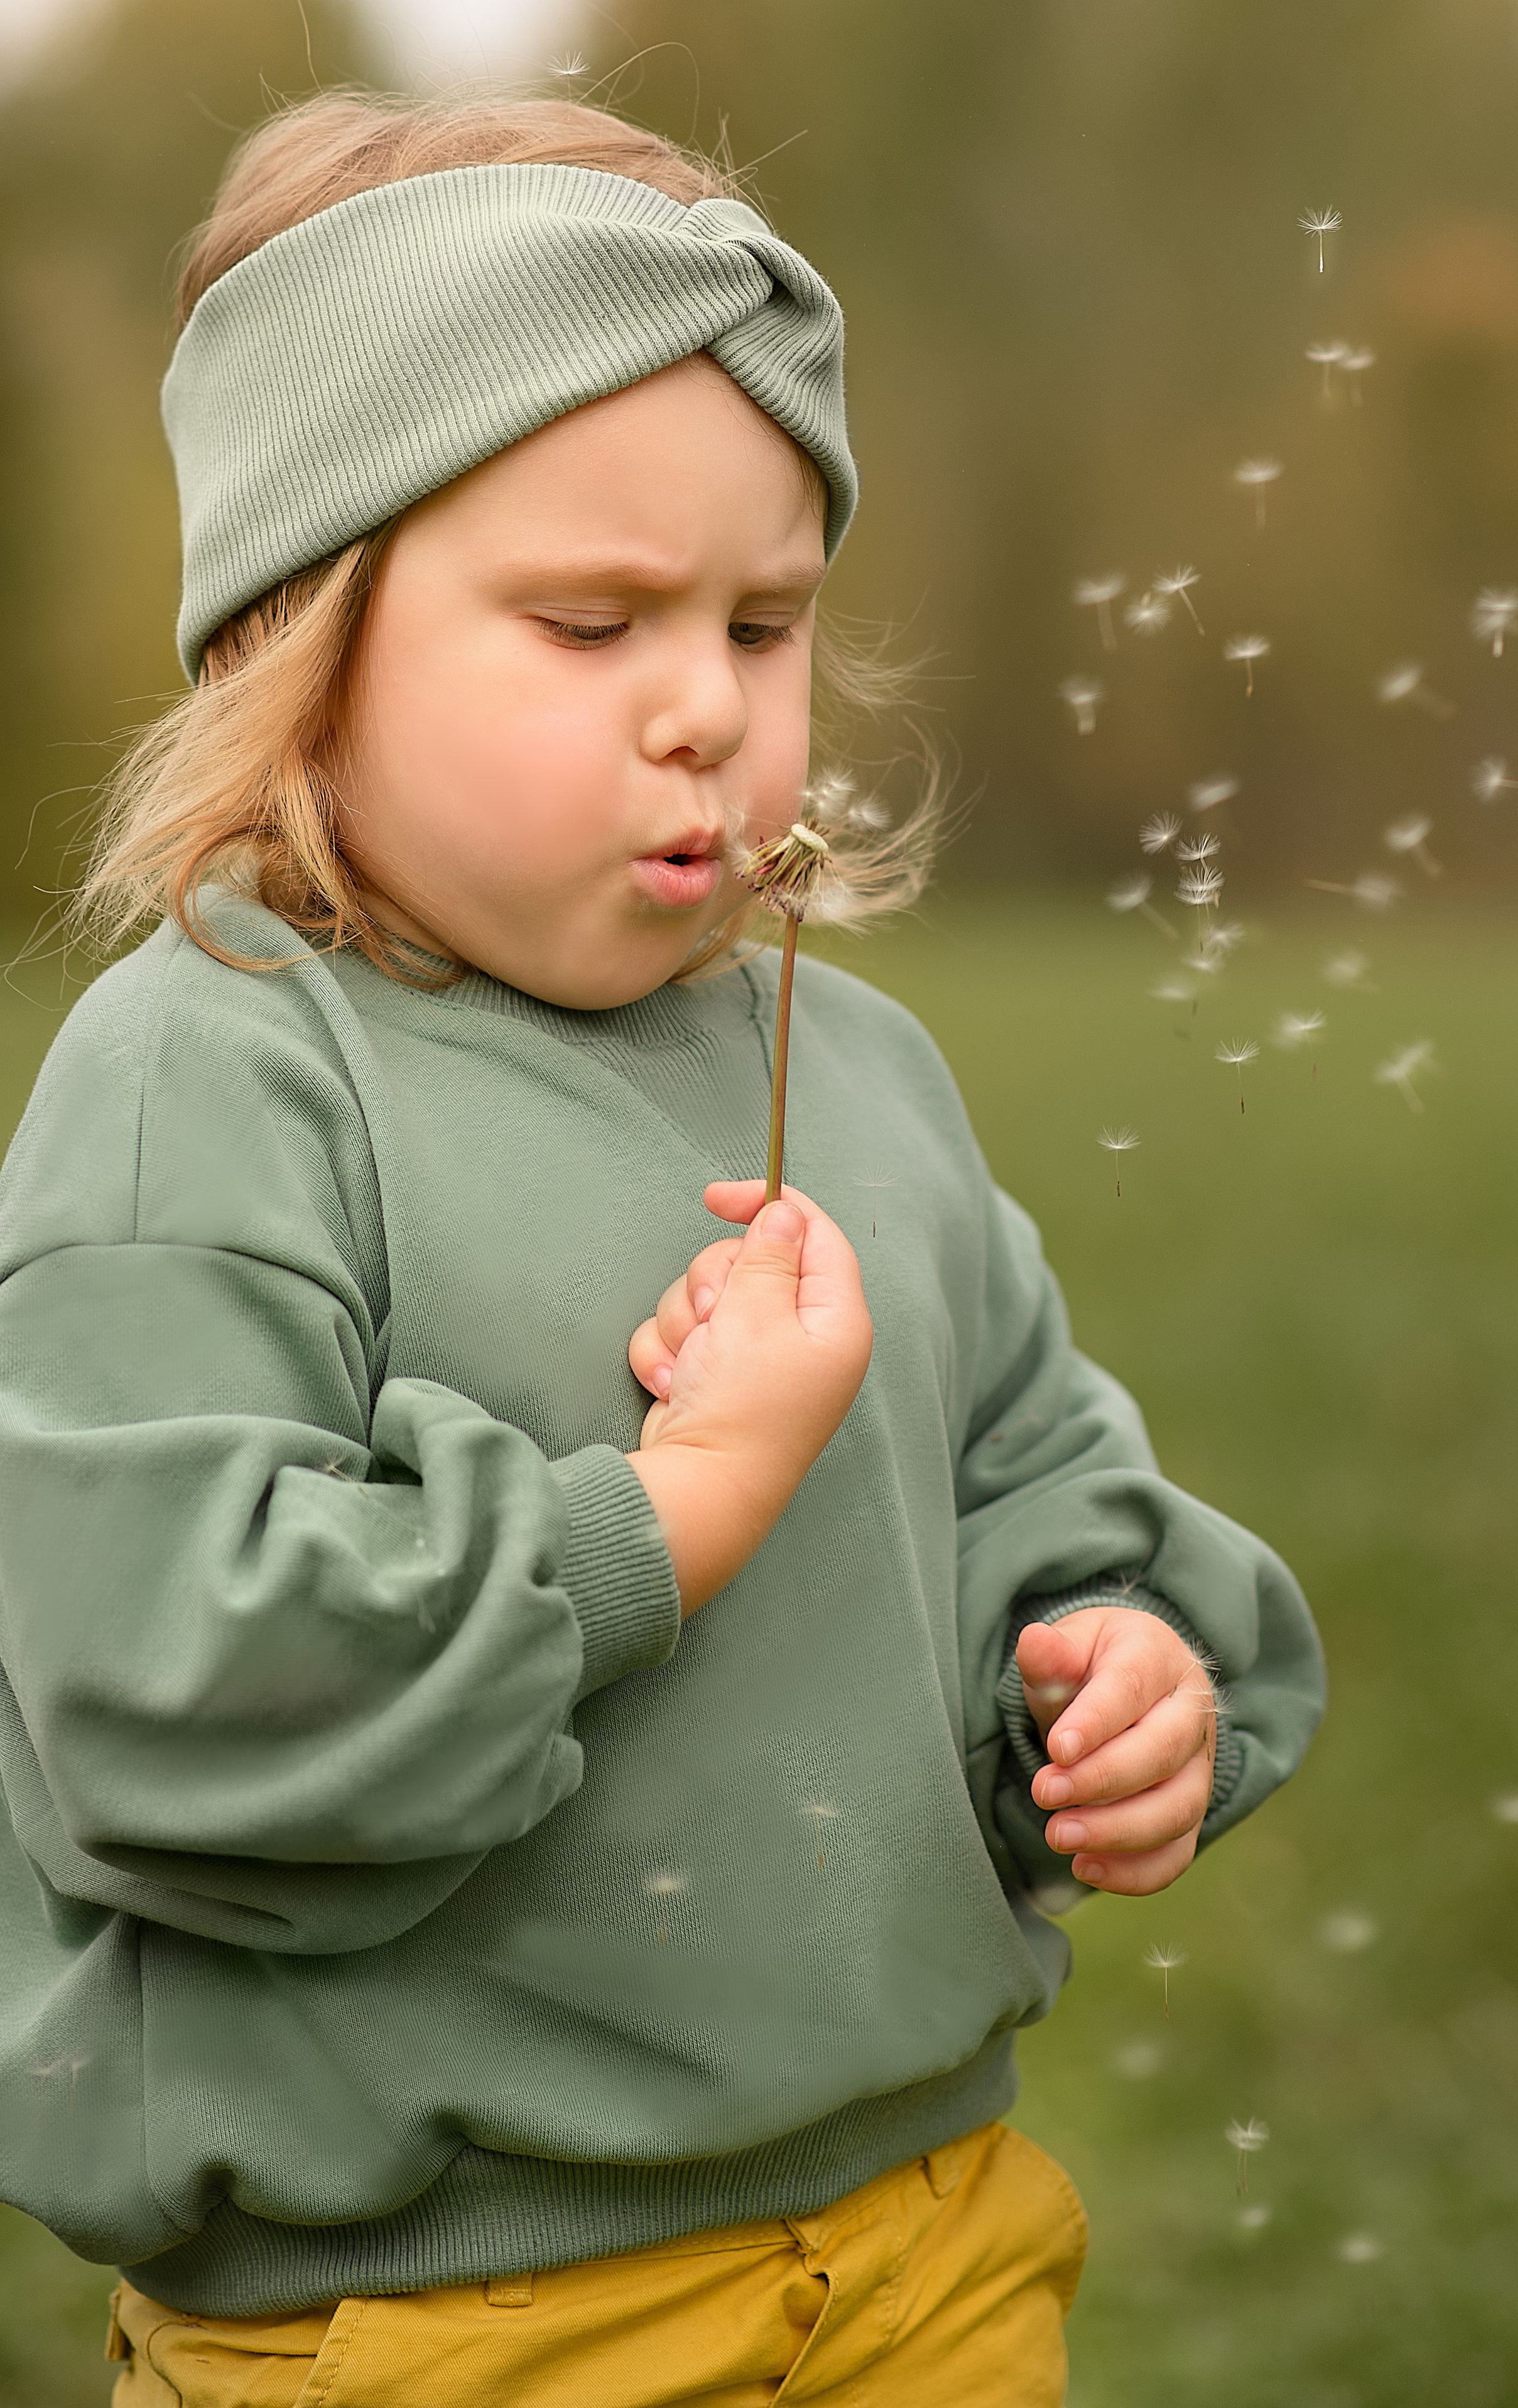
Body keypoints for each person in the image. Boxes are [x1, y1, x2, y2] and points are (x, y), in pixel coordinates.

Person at [0, 92, 1324, 2408]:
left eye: (765, 617)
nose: (708, 700)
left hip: (928, 2249)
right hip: (445, 2313)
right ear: (301, 637)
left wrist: (1111, 1668)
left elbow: (1025, 1481)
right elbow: (158, 1704)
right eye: (590, 618)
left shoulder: (857, 1071)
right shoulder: (213, 1073)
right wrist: (672, 1509)